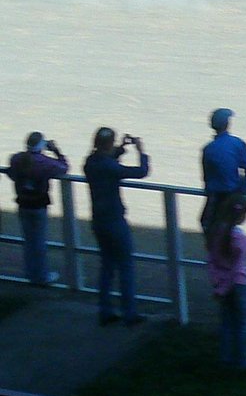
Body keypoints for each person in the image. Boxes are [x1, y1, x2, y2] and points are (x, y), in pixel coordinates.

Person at [83, 127, 149, 326]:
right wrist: (141, 151)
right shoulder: (109, 167)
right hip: (114, 221)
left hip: (98, 221)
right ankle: (129, 313)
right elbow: (141, 172)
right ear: (109, 144)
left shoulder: (90, 163)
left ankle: (105, 310)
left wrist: (121, 148)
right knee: (126, 267)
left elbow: (107, 158)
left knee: (107, 267)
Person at [6, 132, 69, 286]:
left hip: (23, 203)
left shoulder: (16, 159)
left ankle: (30, 273)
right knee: (39, 242)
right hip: (38, 205)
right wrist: (56, 150)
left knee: (28, 241)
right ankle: (41, 276)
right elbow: (64, 167)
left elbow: (11, 173)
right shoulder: (45, 163)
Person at [207, 196, 246, 369]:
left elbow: (211, 260)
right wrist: (226, 288)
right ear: (243, 216)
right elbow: (237, 268)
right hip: (238, 285)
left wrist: (218, 284)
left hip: (221, 285)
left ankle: (225, 358)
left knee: (226, 323)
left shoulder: (216, 235)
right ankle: (242, 361)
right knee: (241, 324)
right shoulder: (240, 240)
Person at [200, 107, 246, 234]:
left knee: (209, 225)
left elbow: (206, 177)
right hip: (232, 194)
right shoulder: (238, 143)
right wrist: (243, 191)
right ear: (227, 124)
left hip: (215, 195)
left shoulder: (208, 148)